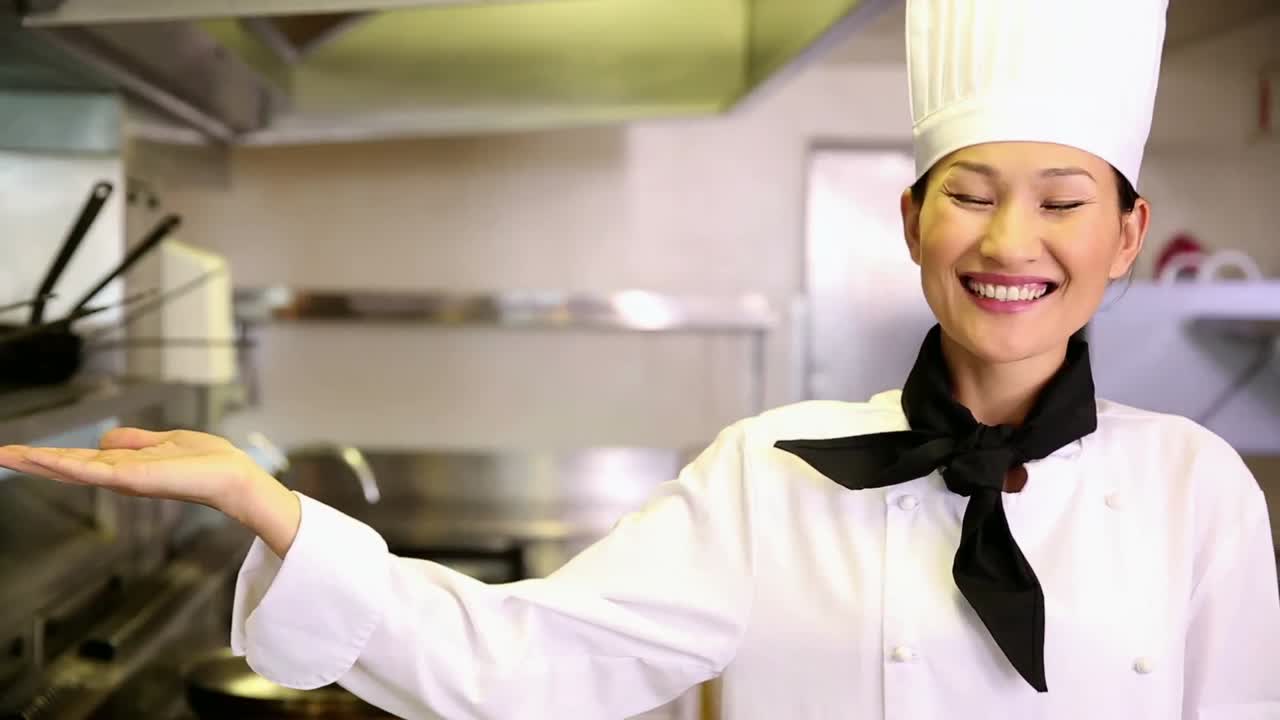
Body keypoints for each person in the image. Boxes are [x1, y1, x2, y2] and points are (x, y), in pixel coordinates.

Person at [3, 0, 1279, 717]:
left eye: (1061, 202)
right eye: (971, 193)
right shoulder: (766, 474)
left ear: (1123, 242)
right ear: (909, 220)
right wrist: (268, 508)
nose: (1011, 240)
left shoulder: (1195, 490)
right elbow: (525, 663)